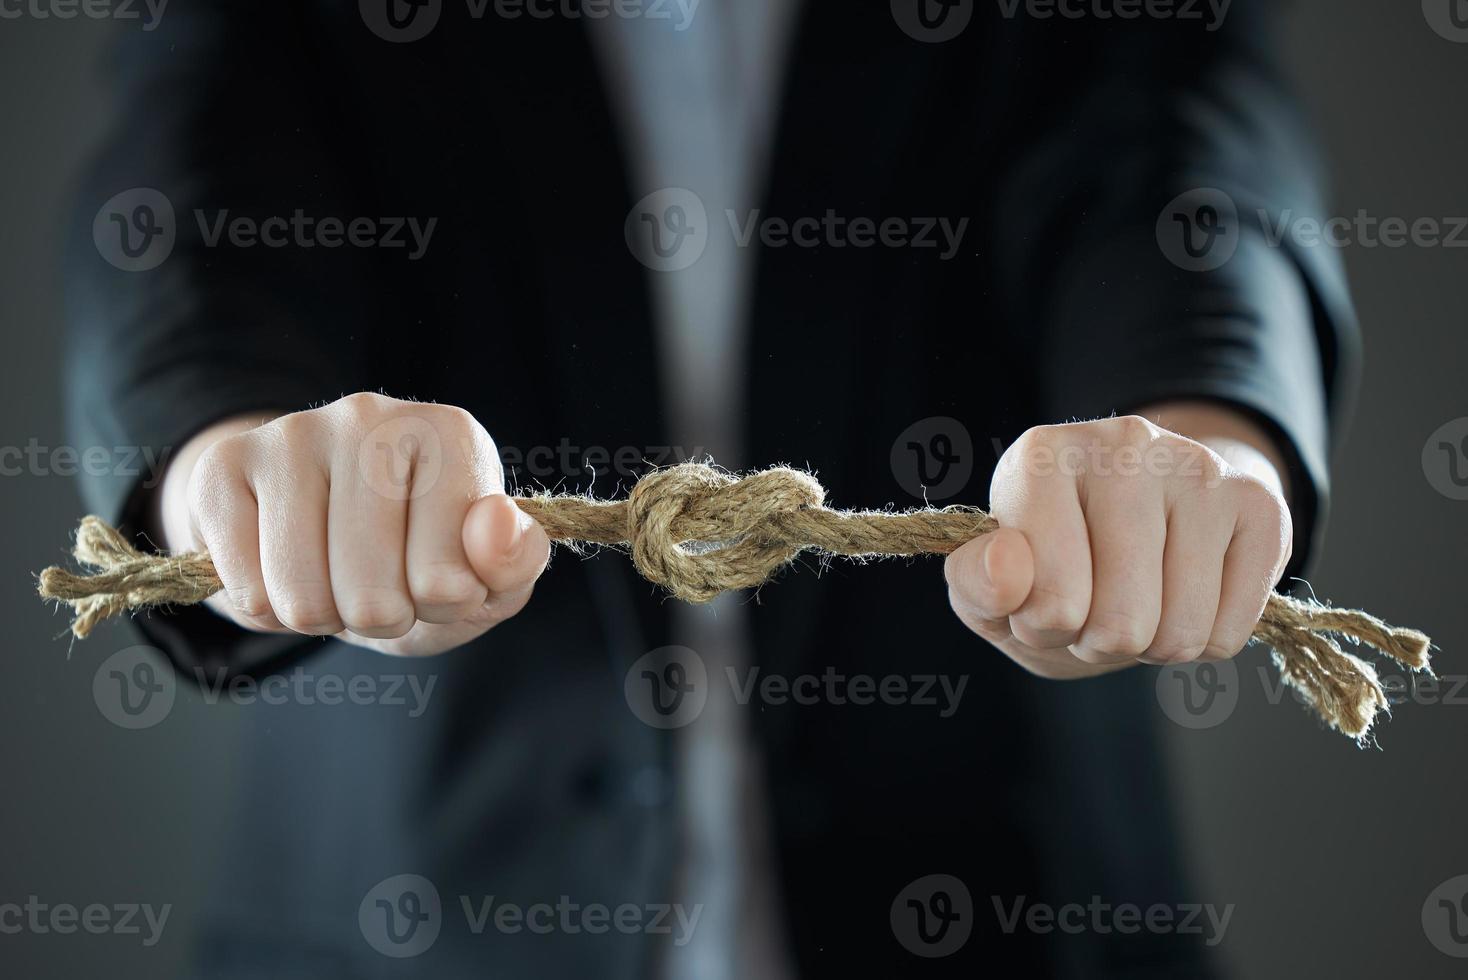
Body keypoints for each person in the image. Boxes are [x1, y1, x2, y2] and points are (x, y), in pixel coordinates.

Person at [65, 1, 1354, 976]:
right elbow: (196, 182)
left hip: (1018, 901)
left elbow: (1175, 150)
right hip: (402, 913)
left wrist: (1201, 429)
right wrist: (225, 457)